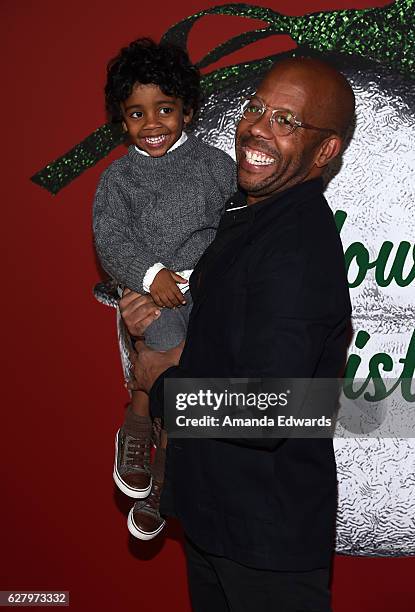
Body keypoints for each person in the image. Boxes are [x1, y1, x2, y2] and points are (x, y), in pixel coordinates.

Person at [120, 57, 355, 611]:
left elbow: (273, 409)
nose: (256, 127)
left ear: (325, 152)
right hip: (222, 520)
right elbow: (229, 342)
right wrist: (158, 316)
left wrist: (160, 382)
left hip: (264, 545)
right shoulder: (250, 216)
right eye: (256, 109)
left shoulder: (295, 246)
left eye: (286, 120)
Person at [93, 38, 236, 540]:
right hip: (151, 296)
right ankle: (136, 423)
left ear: (188, 112)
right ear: (121, 119)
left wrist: (198, 279)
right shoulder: (117, 180)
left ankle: (162, 484)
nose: (151, 123)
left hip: (208, 293)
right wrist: (152, 275)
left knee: (192, 394)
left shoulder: (216, 166)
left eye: (164, 109)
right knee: (165, 347)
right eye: (136, 113)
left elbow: (236, 229)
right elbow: (110, 239)